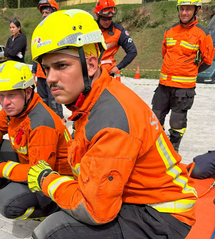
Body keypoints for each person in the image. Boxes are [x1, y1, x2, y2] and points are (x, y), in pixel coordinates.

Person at [27, 9, 197, 239]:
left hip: (161, 216)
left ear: (91, 65)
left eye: (61, 66)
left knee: (54, 231)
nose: (50, 78)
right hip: (144, 199)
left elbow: (94, 211)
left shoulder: (110, 118)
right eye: (46, 68)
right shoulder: (94, 99)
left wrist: (46, 180)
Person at [0, 61, 72, 220]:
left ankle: (50, 211)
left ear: (27, 92)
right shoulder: (17, 108)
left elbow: (38, 172)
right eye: (2, 95)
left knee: (8, 205)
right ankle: (3, 196)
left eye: (11, 95)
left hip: (52, 179)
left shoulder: (41, 123)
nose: (5, 102)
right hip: (33, 166)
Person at [152, 0, 214, 152]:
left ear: (196, 10)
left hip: (183, 89)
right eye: (182, 9)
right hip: (164, 85)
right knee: (155, 116)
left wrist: (191, 71)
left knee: (177, 122)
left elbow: (208, 60)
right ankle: (157, 146)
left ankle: (174, 148)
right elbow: (164, 54)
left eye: (188, 9)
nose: (184, 13)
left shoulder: (202, 34)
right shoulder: (170, 30)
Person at [32, 0, 64, 120]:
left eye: (47, 12)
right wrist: (34, 70)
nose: (44, 15)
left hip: (53, 72)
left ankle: (59, 122)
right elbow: (36, 52)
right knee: (42, 100)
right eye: (43, 12)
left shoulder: (60, 30)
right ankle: (46, 122)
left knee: (54, 100)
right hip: (41, 73)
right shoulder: (39, 31)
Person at [94, 0, 137, 78]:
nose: (107, 22)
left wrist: (118, 67)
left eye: (110, 18)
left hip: (107, 74)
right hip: (89, 73)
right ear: (98, 15)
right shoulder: (90, 28)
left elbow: (132, 51)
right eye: (104, 18)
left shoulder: (118, 31)